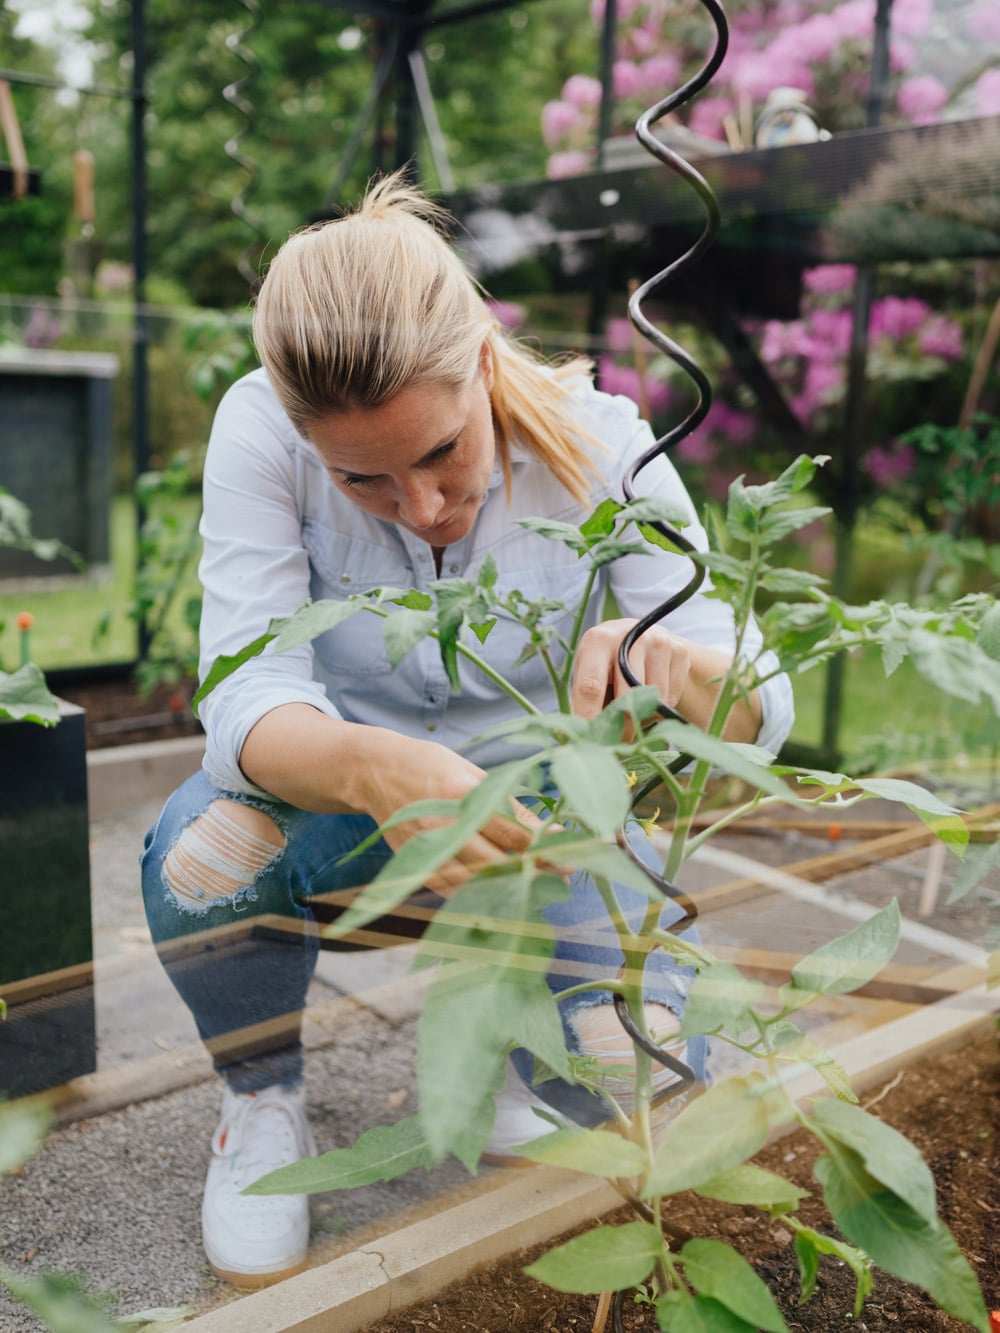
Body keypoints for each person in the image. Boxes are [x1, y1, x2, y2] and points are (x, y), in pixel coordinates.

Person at [140, 170, 794, 1289]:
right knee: (206, 857)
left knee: (628, 1080)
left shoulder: (603, 444)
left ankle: (508, 1045)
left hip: (539, 834)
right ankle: (260, 1103)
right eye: (365, 481)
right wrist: (375, 762)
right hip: (345, 819)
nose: (424, 507)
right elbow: (243, 696)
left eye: (442, 454)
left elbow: (760, 709)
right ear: (309, 444)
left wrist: (678, 662)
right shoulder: (258, 426)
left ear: (483, 363)